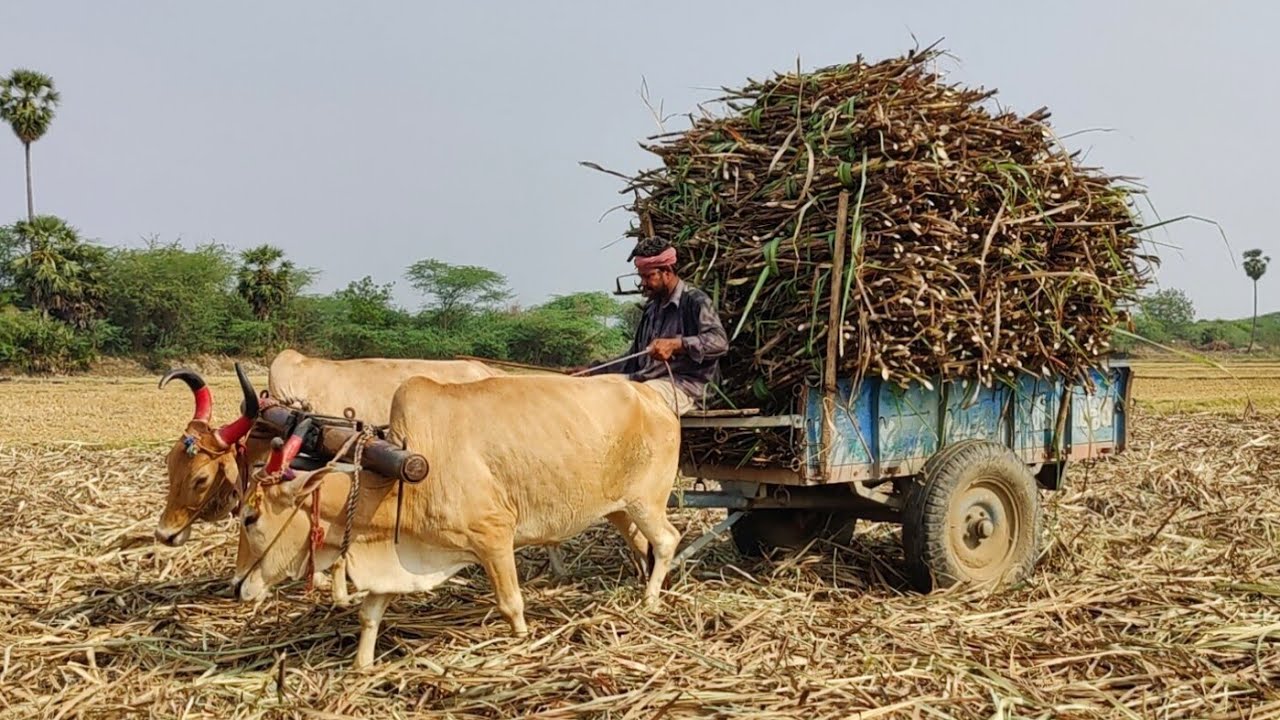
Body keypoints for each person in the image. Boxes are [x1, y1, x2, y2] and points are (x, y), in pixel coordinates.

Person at [579, 237, 729, 415]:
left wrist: (676, 344)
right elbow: (633, 358)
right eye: (641, 276)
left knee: (632, 398)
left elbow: (719, 342)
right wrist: (594, 370)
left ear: (667, 271)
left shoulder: (695, 301)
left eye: (648, 276)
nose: (643, 283)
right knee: (591, 389)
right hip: (646, 381)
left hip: (687, 387)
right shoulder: (652, 308)